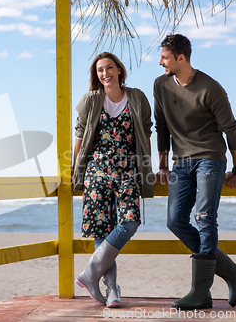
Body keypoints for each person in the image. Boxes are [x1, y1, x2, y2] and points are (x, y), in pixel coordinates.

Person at [154, 34, 236, 310]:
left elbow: (231, 128)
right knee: (175, 221)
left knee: (205, 217)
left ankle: (200, 292)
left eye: (165, 58)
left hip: (209, 157)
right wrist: (162, 163)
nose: (161, 62)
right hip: (180, 162)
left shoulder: (210, 88)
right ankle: (231, 270)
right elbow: (161, 126)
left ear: (181, 58)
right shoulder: (160, 85)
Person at [73, 52, 154, 308]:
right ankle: (112, 290)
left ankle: (90, 273)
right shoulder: (91, 100)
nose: (105, 73)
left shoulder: (137, 97)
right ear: (96, 75)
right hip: (96, 170)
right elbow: (80, 135)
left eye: (109, 68)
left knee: (130, 222)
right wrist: (74, 168)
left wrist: (149, 167)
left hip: (129, 169)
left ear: (119, 70)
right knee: (102, 230)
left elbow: (146, 134)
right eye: (99, 70)